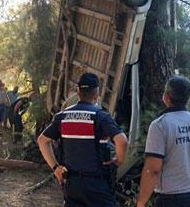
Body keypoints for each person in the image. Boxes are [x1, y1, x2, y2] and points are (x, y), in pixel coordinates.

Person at [37, 73, 128, 207]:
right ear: (97, 93)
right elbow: (122, 140)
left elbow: (42, 140)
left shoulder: (62, 116)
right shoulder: (100, 116)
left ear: (78, 92)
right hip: (97, 185)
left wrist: (56, 167)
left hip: (72, 184)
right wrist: (118, 161)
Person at [136, 75, 190, 207]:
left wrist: (141, 202)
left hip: (173, 199)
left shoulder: (160, 125)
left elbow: (153, 169)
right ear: (187, 99)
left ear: (166, 97)